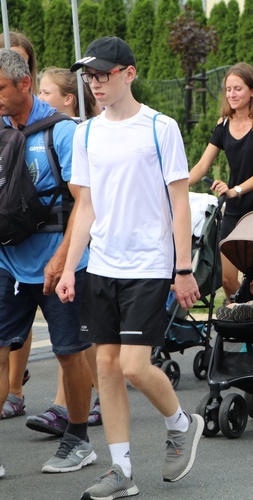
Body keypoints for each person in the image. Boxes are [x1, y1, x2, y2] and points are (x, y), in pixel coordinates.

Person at [58, 36, 204, 498]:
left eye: (104, 75)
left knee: (135, 366)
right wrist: (67, 266)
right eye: (90, 77)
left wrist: (183, 269)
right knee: (106, 365)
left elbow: (180, 202)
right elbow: (85, 206)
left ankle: (181, 423)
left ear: (129, 73)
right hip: (102, 262)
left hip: (149, 263)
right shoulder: (85, 133)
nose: (95, 84)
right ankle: (121, 470)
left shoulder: (160, 128)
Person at [0, 49, 95, 475]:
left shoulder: (61, 131)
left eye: (0, 87)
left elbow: (84, 202)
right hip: (8, 260)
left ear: (23, 84)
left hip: (61, 260)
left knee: (69, 352)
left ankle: (78, 440)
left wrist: (62, 257)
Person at [24, 66, 103, 437]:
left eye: (46, 92)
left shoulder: (69, 133)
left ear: (69, 99)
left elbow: (85, 202)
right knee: (72, 345)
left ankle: (88, 406)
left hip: (81, 249)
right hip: (42, 255)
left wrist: (67, 257)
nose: (39, 99)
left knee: (75, 344)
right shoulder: (21, 132)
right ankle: (73, 404)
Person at [188, 62, 253, 301]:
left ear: (252, 91)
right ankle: (240, 315)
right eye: (228, 89)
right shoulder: (223, 124)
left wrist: (234, 190)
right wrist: (174, 187)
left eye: (238, 88)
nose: (231, 94)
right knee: (227, 277)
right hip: (235, 208)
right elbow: (201, 166)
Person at [1, 30, 40, 424]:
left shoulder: (54, 125)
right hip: (4, 251)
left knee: (68, 348)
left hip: (41, 249)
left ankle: (17, 389)